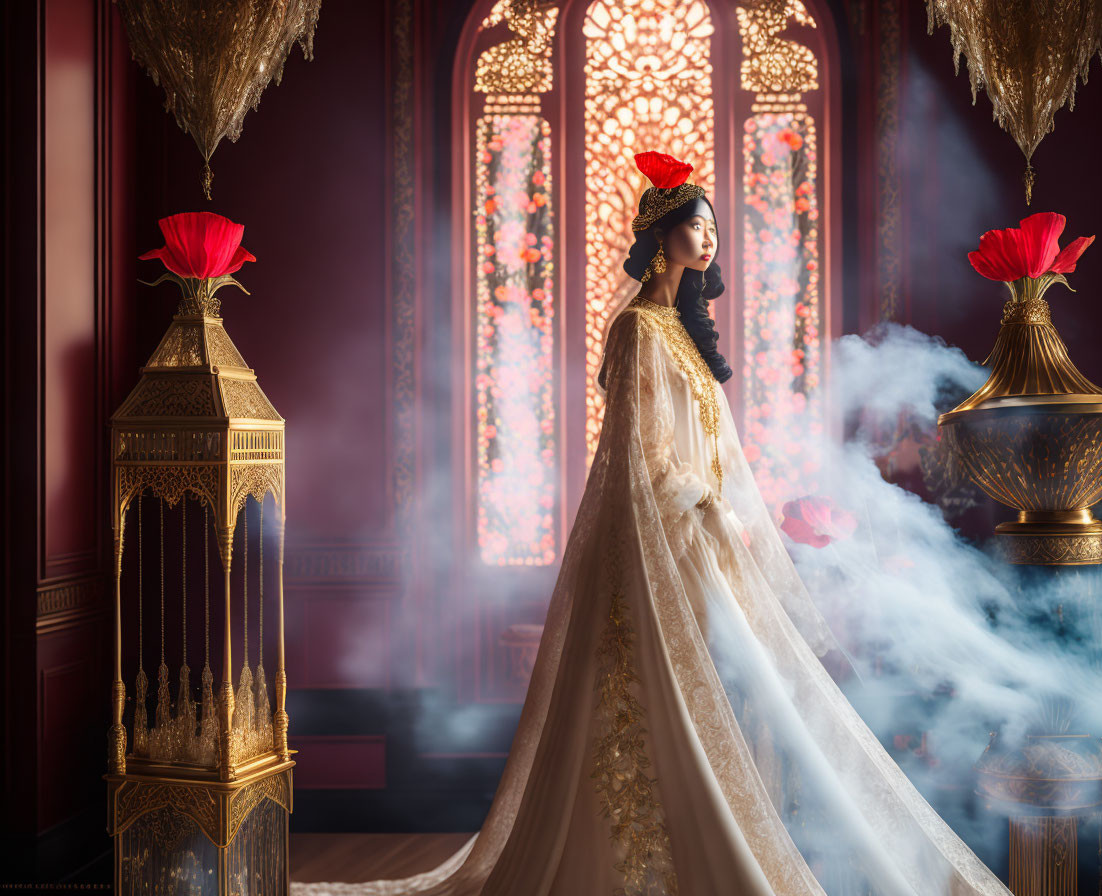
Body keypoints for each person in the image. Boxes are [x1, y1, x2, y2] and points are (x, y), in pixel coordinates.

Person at [292, 152, 1012, 896]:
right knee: (671, 702)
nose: (708, 239)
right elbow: (642, 455)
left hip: (708, 539)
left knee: (745, 699)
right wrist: (710, 508)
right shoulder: (637, 329)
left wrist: (736, 520)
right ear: (659, 238)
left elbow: (714, 453)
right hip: (669, 540)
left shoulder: (686, 337)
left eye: (713, 228)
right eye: (694, 226)